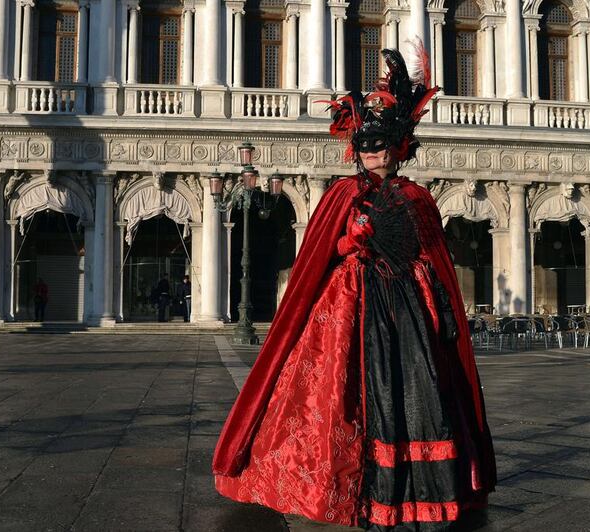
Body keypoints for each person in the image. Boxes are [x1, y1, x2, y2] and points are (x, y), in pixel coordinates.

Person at [212, 44, 496, 530]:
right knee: (340, 395)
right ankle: (347, 486)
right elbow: (317, 258)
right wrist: (348, 241)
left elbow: (433, 257)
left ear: (400, 147)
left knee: (417, 393)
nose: (374, 153)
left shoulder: (418, 198)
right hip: (349, 307)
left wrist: (445, 310)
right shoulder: (343, 193)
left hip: (408, 309)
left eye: (382, 145)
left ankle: (416, 490)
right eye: (366, 147)